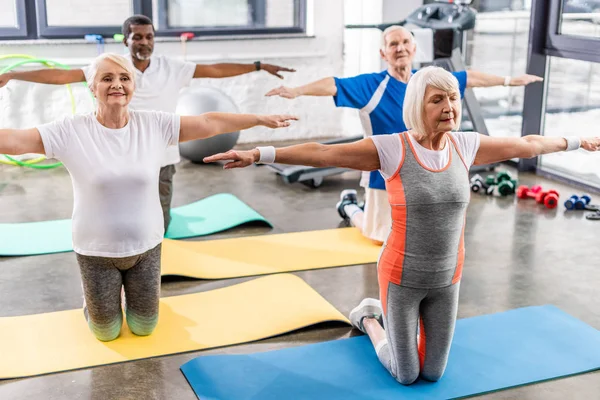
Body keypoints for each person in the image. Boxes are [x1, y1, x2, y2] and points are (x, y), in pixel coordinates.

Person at [205, 66, 600, 384]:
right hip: (401, 277)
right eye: (437, 99)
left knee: (434, 372)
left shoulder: (464, 145)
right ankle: (369, 318)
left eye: (453, 98)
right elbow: (324, 154)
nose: (449, 106)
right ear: (418, 105)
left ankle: (387, 319)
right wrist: (258, 152)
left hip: (448, 278)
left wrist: (577, 141)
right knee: (406, 374)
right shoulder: (394, 148)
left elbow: (527, 143)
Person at [0, 53, 297, 342]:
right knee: (106, 332)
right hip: (95, 252)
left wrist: (259, 118)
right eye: (107, 78)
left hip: (147, 247)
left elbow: (208, 122)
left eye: (124, 78)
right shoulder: (69, 131)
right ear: (92, 87)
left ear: (133, 86)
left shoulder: (154, 124)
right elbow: (13, 140)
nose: (117, 84)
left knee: (145, 327)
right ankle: (92, 305)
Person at [0, 14, 295, 234]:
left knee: (159, 224)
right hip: (114, 154)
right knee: (116, 220)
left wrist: (258, 65)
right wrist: (15, 75)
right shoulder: (112, 68)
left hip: (160, 157)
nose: (144, 42)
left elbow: (215, 70)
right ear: (126, 39)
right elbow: (61, 76)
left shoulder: (171, 68)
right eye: (138, 37)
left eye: (149, 36)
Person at [265, 25, 542, 244]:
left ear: (414, 48)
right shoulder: (372, 85)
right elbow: (333, 85)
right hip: (385, 172)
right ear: (383, 53)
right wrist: (297, 90)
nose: (400, 48)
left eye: (405, 42)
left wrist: (510, 81)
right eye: (393, 44)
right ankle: (350, 208)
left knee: (419, 233)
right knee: (378, 237)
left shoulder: (429, 82)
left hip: (427, 170)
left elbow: (468, 77)